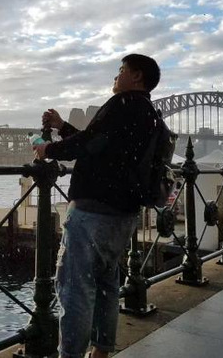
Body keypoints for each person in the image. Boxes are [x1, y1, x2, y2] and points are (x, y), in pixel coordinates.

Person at [33, 54, 161, 358]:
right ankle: (101, 351)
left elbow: (89, 144)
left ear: (137, 76)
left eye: (121, 70)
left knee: (75, 288)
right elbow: (100, 145)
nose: (116, 76)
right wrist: (63, 126)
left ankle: (72, 354)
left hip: (93, 211)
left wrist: (47, 149)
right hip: (123, 214)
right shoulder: (148, 113)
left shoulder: (122, 104)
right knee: (106, 285)